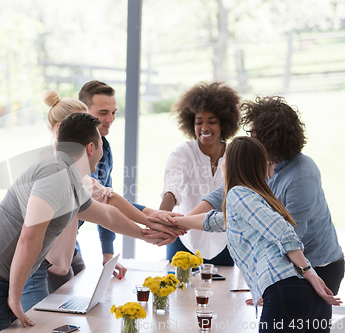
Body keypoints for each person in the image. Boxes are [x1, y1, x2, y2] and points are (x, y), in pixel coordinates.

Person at [0, 112, 171, 333]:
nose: (103, 152)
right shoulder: (56, 173)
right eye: (101, 145)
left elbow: (108, 215)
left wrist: (146, 234)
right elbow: (30, 237)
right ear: (90, 148)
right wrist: (15, 297)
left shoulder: (71, 180)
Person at [20, 91, 181, 312]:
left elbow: (108, 198)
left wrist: (151, 218)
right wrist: (149, 225)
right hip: (39, 261)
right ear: (61, 130)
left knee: (83, 309)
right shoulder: (57, 169)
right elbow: (106, 208)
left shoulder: (92, 157)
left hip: (64, 253)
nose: (109, 121)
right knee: (45, 320)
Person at [178, 96, 344, 297]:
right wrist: (180, 223)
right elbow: (224, 195)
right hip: (287, 266)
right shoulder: (261, 163)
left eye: (255, 134)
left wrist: (268, 285)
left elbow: (289, 236)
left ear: (271, 140)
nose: (250, 138)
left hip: (318, 266)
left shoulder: (302, 176)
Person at [218, 136, 340, 331]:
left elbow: (284, 232)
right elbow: (217, 220)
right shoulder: (261, 199)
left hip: (287, 291)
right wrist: (173, 220)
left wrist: (308, 272)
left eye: (224, 158)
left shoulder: (238, 194)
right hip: (306, 295)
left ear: (231, 164)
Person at [78, 80, 165, 277]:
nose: (110, 119)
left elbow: (106, 197)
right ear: (83, 112)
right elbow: (103, 203)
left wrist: (107, 253)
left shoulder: (104, 149)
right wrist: (150, 218)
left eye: (114, 112)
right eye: (103, 113)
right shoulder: (75, 154)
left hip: (68, 241)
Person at [160, 82, 241, 265]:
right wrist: (161, 219)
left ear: (224, 123)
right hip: (184, 239)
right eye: (199, 122)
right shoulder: (182, 154)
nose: (204, 127)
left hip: (225, 242)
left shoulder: (234, 155)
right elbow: (172, 188)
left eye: (211, 121)